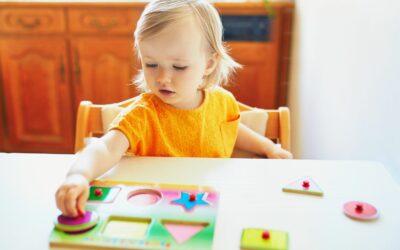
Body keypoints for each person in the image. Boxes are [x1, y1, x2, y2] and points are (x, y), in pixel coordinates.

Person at [56, 0, 292, 218]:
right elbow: (106, 147)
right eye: (151, 64)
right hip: (155, 210)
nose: (163, 78)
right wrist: (79, 175)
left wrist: (268, 147)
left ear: (208, 64)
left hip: (210, 207)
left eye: (178, 67)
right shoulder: (143, 114)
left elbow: (232, 129)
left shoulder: (222, 102)